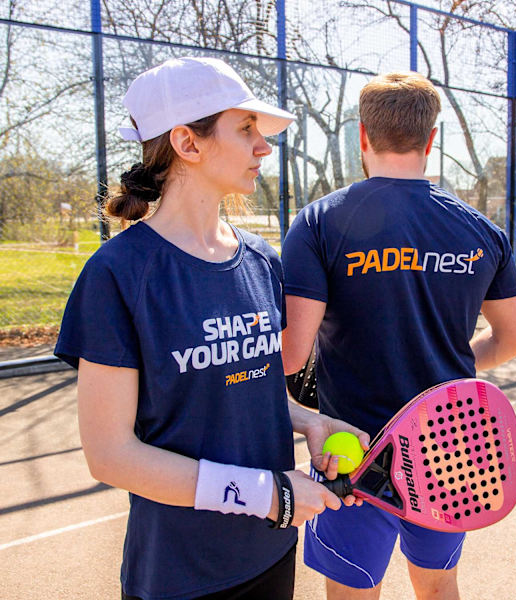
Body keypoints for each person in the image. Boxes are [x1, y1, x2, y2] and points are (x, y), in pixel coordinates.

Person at [54, 56, 368, 600]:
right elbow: (110, 454)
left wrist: (311, 423)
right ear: (188, 143)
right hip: (182, 574)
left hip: (270, 551)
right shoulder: (117, 274)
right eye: (245, 129)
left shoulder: (262, 261)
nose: (263, 147)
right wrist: (270, 495)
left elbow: (256, 388)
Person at [280, 71, 516, 600]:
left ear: (363, 134)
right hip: (454, 448)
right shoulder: (482, 230)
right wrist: (447, 365)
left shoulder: (319, 222)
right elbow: (515, 340)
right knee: (440, 588)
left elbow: (290, 355)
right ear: (431, 139)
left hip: (354, 452)